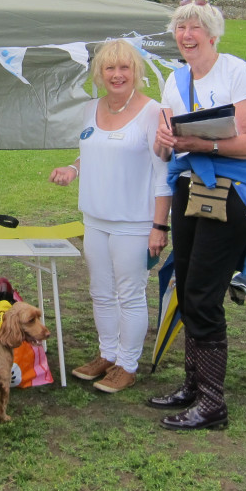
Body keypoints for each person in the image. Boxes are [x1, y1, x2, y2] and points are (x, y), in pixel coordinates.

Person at [147, 0, 246, 431]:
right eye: (180, 27)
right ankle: (194, 387)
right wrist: (165, 140)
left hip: (230, 192)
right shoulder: (175, 79)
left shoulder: (235, 71)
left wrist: (203, 144)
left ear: (213, 34)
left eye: (195, 27)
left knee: (203, 294)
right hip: (188, 188)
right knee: (187, 286)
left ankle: (212, 403)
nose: (186, 34)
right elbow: (164, 148)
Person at [50, 39, 172, 393]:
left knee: (130, 294)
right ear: (99, 73)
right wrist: (73, 169)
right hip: (95, 219)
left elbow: (164, 174)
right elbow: (90, 152)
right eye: (109, 68)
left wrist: (159, 227)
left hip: (134, 223)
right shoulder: (91, 108)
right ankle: (107, 354)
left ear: (137, 71)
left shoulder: (154, 112)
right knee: (101, 292)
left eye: (124, 67)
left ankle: (127, 365)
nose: (117, 75)